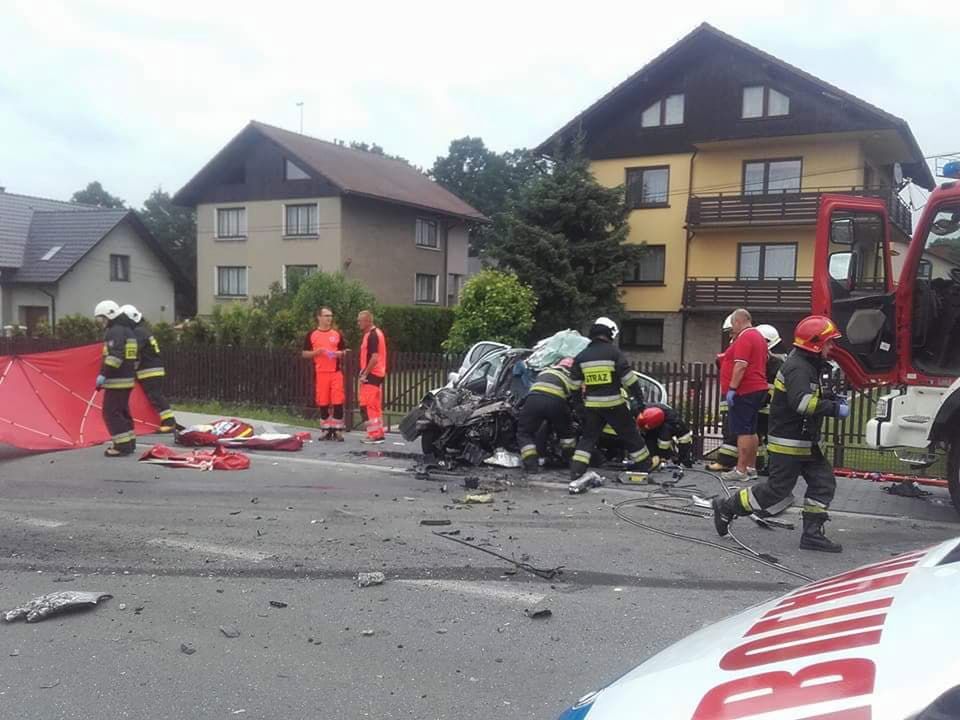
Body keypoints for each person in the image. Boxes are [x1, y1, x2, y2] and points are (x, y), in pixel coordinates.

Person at [713, 315, 848, 553]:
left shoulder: (809, 364)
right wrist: (834, 408)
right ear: (815, 344)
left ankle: (812, 534)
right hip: (790, 444)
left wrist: (829, 398)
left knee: (823, 483)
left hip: (807, 442)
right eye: (828, 342)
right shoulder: (798, 367)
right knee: (776, 491)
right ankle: (727, 507)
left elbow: (810, 397)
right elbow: (802, 403)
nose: (832, 347)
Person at [569, 317, 652, 485]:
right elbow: (629, 379)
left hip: (592, 406)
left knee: (588, 438)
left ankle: (576, 469)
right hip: (614, 404)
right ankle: (643, 464)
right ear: (609, 334)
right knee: (630, 434)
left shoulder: (581, 356)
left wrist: (579, 406)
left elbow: (574, 386)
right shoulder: (614, 353)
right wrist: (639, 400)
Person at [721, 309, 770, 482]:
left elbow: (741, 365)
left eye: (732, 325)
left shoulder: (745, 337)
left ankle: (740, 470)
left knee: (743, 430)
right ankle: (751, 468)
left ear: (738, 321)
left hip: (745, 390)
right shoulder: (758, 337)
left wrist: (733, 388)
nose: (732, 330)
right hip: (756, 388)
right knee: (751, 430)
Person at [121, 304, 176, 432]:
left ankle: (169, 422)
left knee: (156, 396)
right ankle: (163, 420)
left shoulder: (138, 332)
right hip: (150, 369)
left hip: (150, 371)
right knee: (153, 396)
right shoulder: (142, 330)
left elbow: (134, 350)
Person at [517, 358, 579, 472]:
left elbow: (530, 391)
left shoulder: (545, 371)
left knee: (524, 433)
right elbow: (576, 398)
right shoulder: (572, 377)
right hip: (557, 403)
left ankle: (531, 465)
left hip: (534, 400)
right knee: (567, 436)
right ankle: (569, 461)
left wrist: (519, 405)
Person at [94, 300, 138, 457]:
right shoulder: (128, 331)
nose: (101, 323)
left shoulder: (114, 332)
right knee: (122, 412)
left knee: (111, 412)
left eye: (101, 319)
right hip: (127, 379)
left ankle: (122, 446)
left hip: (116, 381)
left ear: (109, 315)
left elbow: (115, 357)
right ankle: (129, 442)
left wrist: (103, 374)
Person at [302, 307, 348, 441]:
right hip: (321, 372)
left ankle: (338, 430)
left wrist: (340, 354)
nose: (329, 318)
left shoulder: (337, 334)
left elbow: (345, 351)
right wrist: (316, 353)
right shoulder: (312, 334)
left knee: (338, 400)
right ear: (319, 317)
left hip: (335, 372)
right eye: (326, 316)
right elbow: (304, 353)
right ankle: (326, 430)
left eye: (331, 316)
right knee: (323, 401)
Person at [707, 313, 739, 472]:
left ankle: (725, 462)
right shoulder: (737, 344)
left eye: (732, 331)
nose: (730, 336)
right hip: (729, 394)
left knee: (731, 429)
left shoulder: (743, 344)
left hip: (735, 394)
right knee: (730, 428)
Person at [755, 324, 786, 475]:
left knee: (772, 440)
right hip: (759, 408)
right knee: (758, 438)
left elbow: (775, 388)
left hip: (772, 409)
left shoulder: (777, 364)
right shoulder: (761, 362)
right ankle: (759, 465)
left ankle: (772, 468)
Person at [357, 310, 387, 444]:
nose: (358, 323)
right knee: (374, 406)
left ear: (368, 321)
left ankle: (374, 434)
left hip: (372, 374)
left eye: (360, 321)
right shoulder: (376, 333)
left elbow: (374, 358)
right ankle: (378, 433)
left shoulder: (372, 336)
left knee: (368, 406)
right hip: (378, 373)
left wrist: (364, 374)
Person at [638, 403, 695, 468]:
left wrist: (661, 456)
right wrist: (654, 455)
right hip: (655, 420)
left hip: (671, 425)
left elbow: (666, 442)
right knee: (650, 438)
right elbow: (649, 438)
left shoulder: (673, 422)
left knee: (665, 441)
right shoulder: (645, 413)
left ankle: (682, 460)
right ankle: (663, 457)